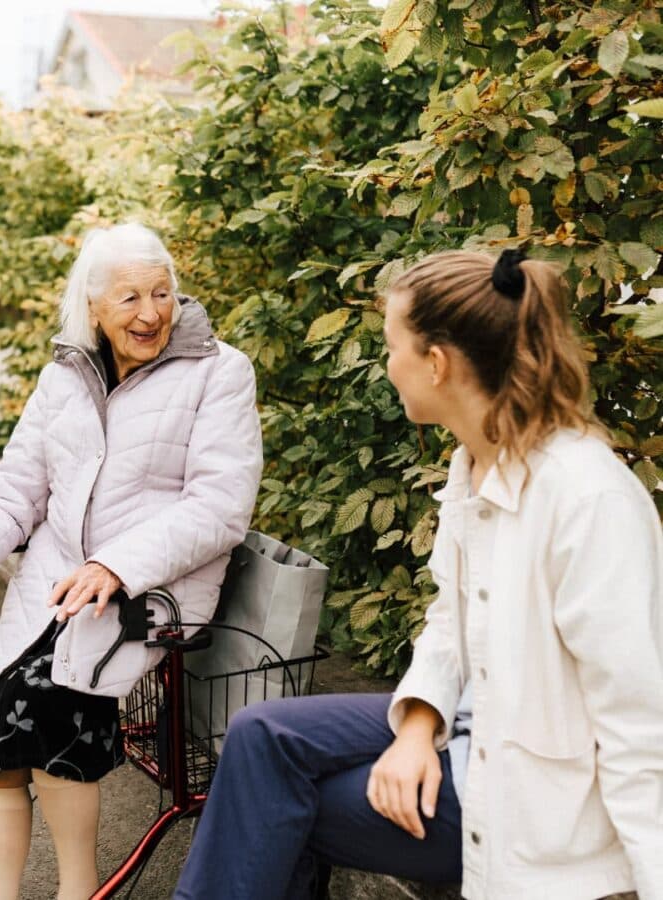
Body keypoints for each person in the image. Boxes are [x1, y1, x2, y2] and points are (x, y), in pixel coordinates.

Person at [174, 249, 663, 900]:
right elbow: (449, 618)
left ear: (437, 363)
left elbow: (639, 729)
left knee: (277, 806)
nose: (387, 365)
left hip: (530, 802)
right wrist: (415, 726)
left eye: (392, 346)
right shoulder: (476, 462)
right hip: (472, 723)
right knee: (260, 737)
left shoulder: (587, 500)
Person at [0, 222, 263, 900]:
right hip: (61, 584)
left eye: (162, 293)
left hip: (156, 589)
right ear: (93, 307)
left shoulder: (220, 372)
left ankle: (79, 889)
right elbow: (18, 487)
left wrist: (116, 565)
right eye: (129, 299)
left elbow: (221, 507)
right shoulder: (65, 375)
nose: (150, 313)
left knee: (44, 701)